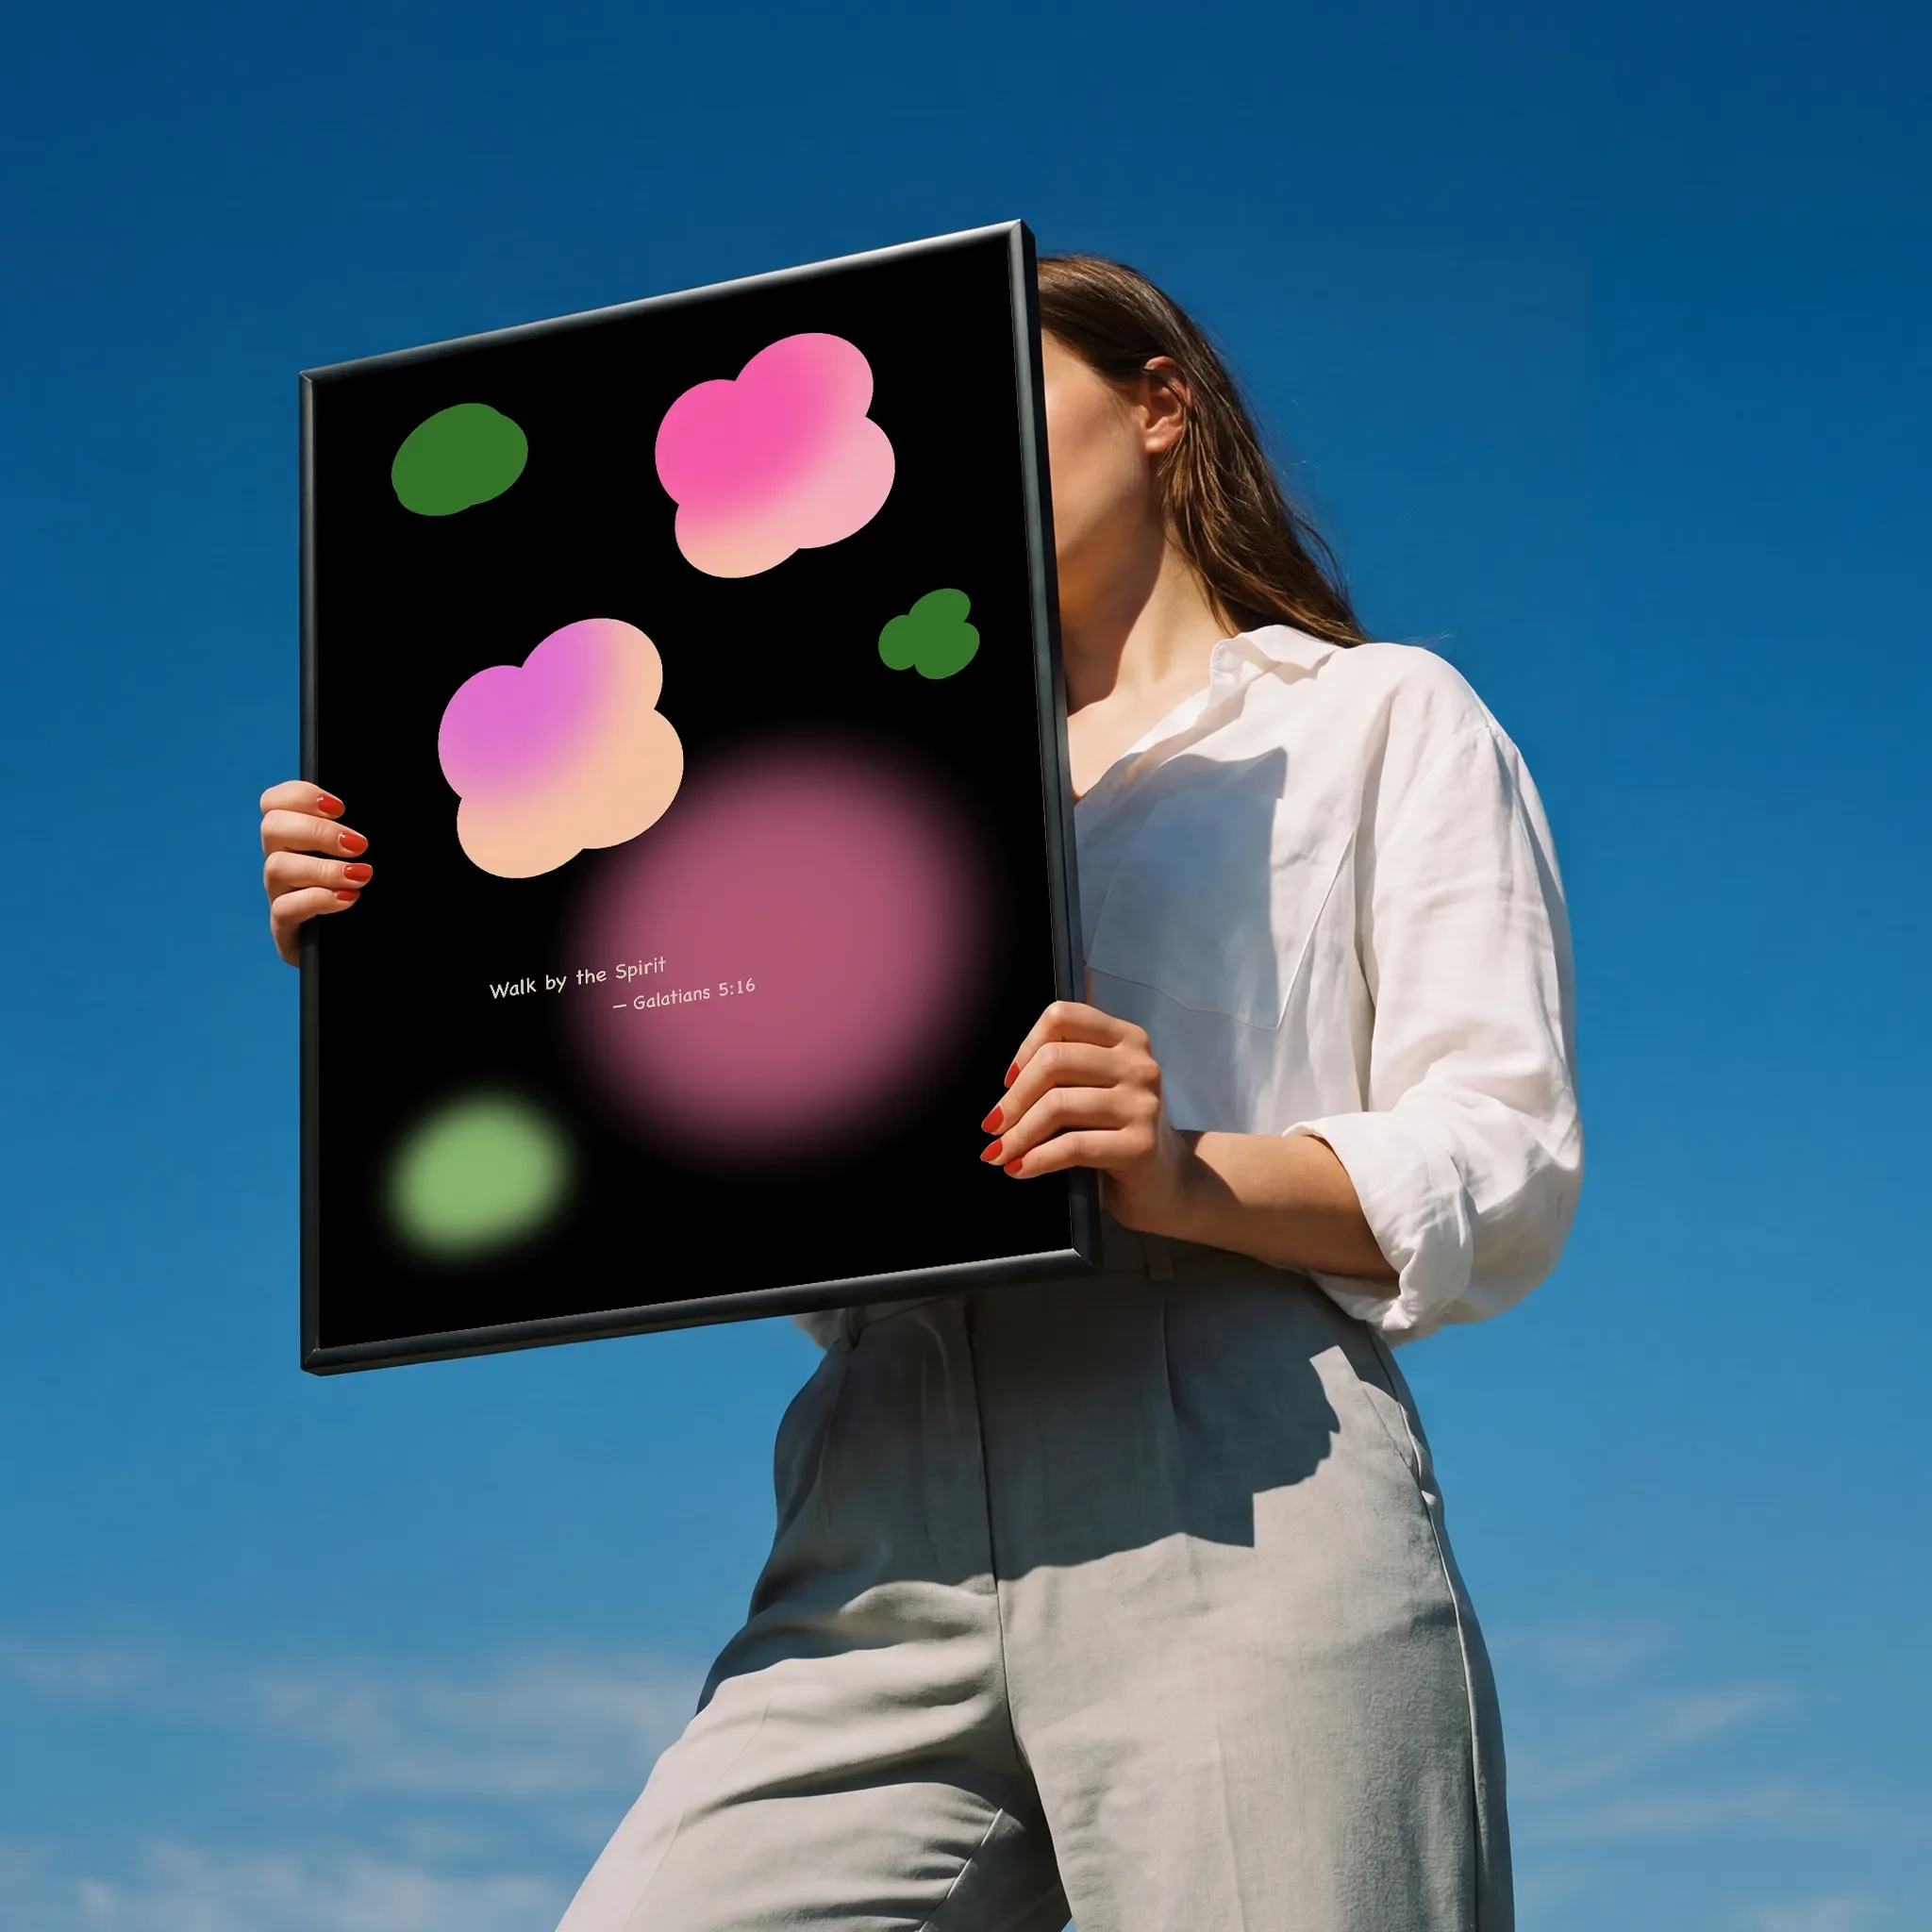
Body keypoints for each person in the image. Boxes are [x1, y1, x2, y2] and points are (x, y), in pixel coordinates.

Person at [259, 255, 1580, 1931]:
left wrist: (1186, 1172)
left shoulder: (1376, 718)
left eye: (988, 398)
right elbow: (706, 1130)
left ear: (1159, 404)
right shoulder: (829, 786)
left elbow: (1504, 1155)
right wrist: (415, 969)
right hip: (873, 1499)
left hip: (1233, 1479)